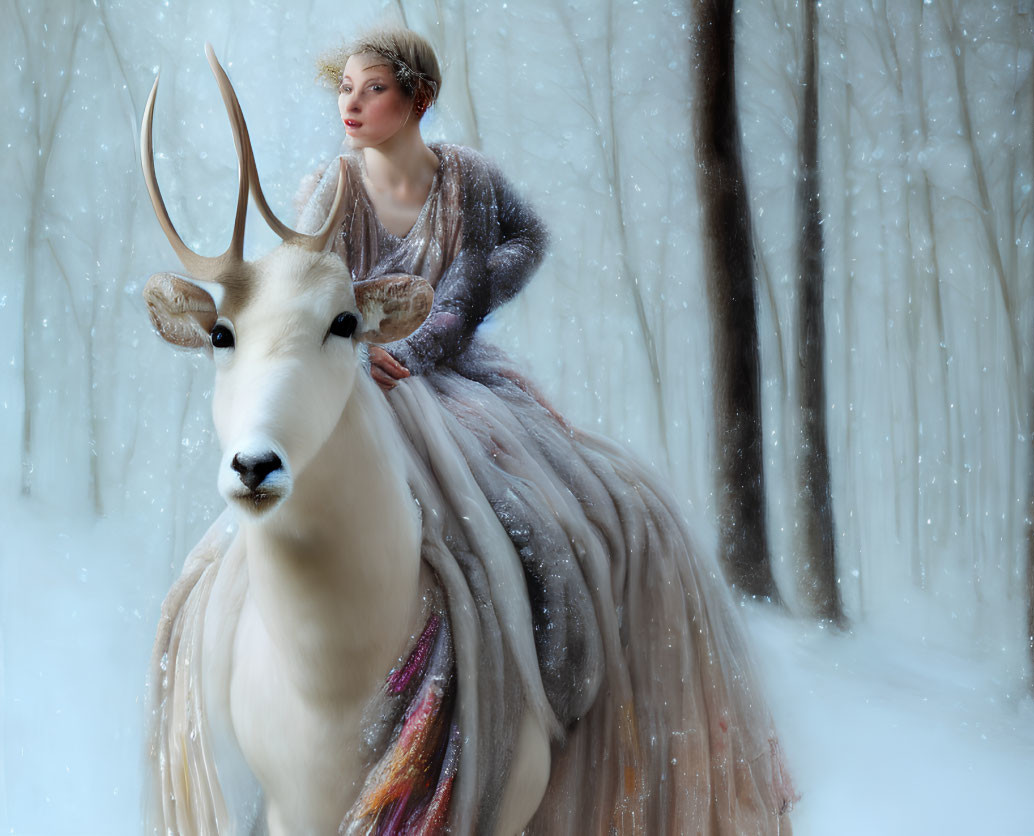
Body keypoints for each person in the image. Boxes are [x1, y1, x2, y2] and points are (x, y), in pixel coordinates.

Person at [154, 26, 795, 835]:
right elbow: (301, 283)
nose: (351, 103)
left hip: (452, 380)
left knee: (552, 505)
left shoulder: (468, 182)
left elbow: (522, 245)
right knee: (244, 542)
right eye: (344, 88)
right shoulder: (331, 188)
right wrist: (347, 339)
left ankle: (546, 680)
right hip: (355, 377)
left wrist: (455, 309)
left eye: (372, 88)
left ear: (418, 99)